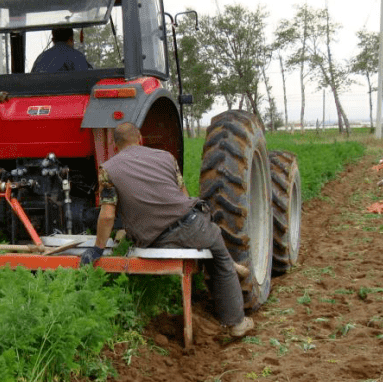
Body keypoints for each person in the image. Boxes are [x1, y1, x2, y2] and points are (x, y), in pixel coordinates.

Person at [80, 122, 254, 339]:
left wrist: (97, 249)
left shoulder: (108, 169)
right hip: (192, 228)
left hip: (154, 239)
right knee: (219, 253)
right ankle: (236, 321)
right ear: (141, 139)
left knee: (211, 245)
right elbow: (183, 196)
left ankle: (228, 263)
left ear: (115, 146)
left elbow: (107, 215)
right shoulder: (166, 157)